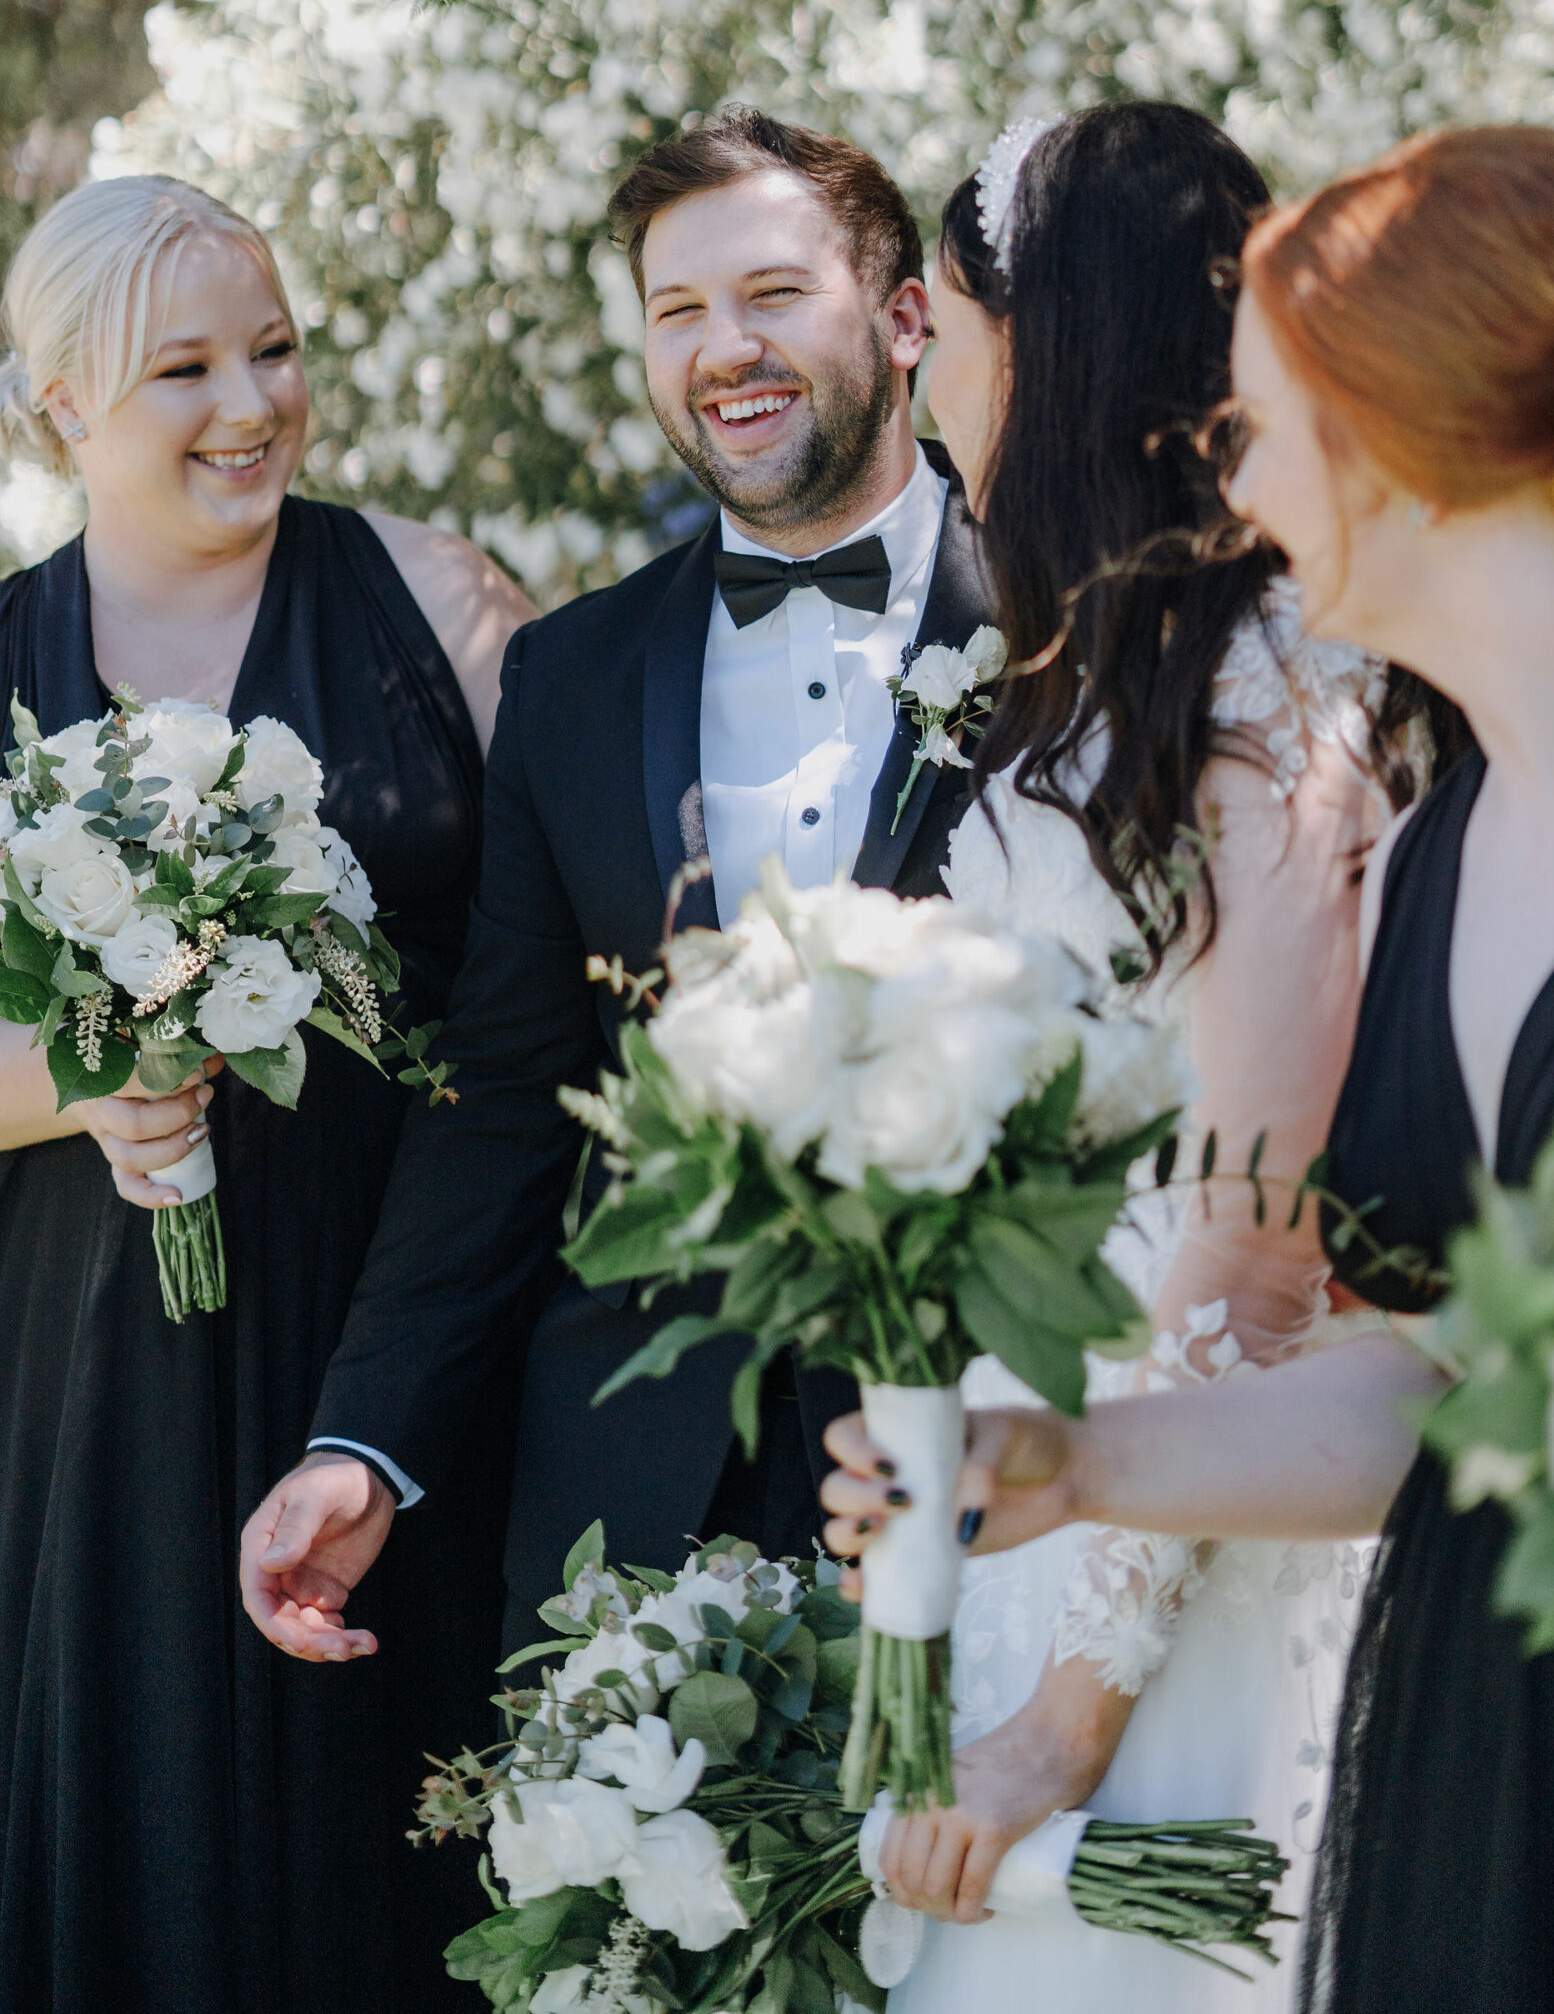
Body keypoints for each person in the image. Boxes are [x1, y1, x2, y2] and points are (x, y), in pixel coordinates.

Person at [825, 124, 1554, 2014]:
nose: (1224, 473)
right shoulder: (1458, 845)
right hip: (1477, 1735)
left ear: (1410, 435)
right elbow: (1444, 1386)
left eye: (1261, 420)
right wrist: (1079, 1458)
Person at [237, 108, 993, 1674]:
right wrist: (360, 1441)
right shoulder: (570, 676)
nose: (726, 349)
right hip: (636, 1510)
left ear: (907, 317)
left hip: (992, 1464)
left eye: (774, 294)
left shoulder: (1073, 623)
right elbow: (510, 1094)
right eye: (678, 312)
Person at [865, 101, 1419, 2014]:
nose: (918, 366)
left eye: (941, 319)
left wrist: (1065, 1721)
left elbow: (1253, 1260)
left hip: (1175, 1565)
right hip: (1019, 1502)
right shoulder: (1098, 679)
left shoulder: (1277, 697)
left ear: (1057, 344)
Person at [0, 174, 536, 2014]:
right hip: (84, 1407)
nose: (254, 405)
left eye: (278, 349)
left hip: (396, 1368)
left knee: (388, 1865)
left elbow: (552, 994)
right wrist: (80, 1084)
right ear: (60, 402)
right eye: (187, 369)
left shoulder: (444, 609)